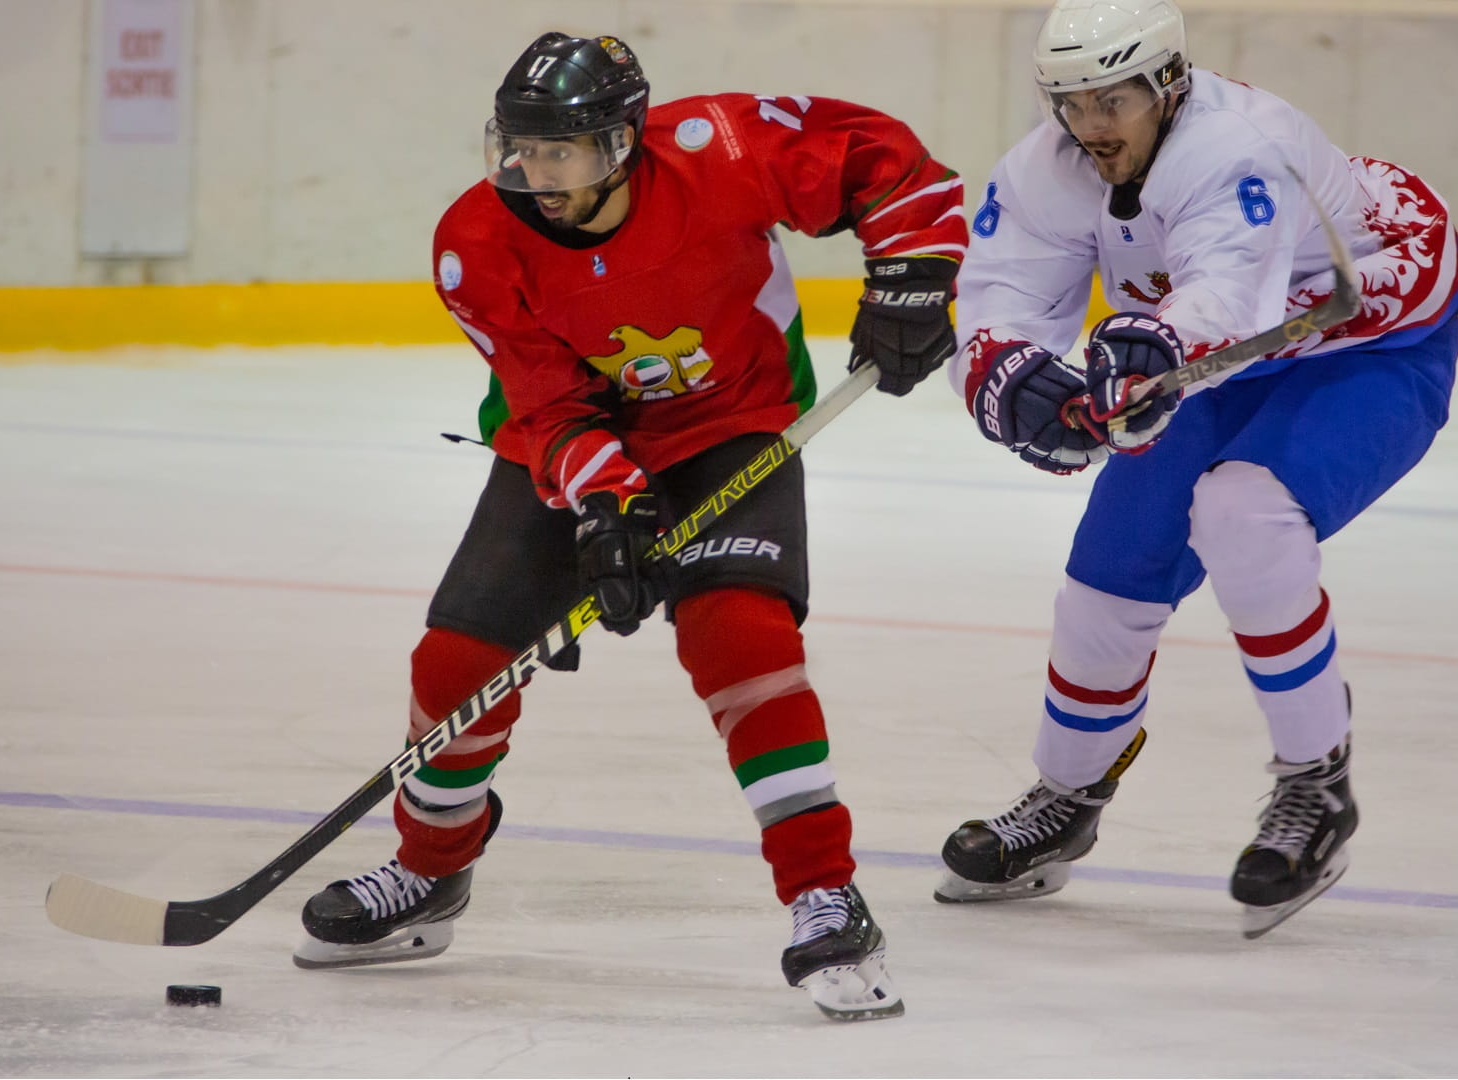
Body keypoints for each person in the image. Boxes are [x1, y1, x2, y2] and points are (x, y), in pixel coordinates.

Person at [291, 32, 966, 1020]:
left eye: (555, 151)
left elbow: (887, 160)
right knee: (454, 665)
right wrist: (606, 508)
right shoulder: (472, 242)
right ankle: (430, 871)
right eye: (516, 148)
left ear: (620, 144)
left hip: (727, 425)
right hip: (566, 449)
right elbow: (545, 399)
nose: (529, 172)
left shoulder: (719, 147)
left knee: (741, 638)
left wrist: (911, 271)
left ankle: (822, 891)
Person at [937, 0, 1458, 938]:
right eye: (1072, 102)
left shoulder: (1240, 146)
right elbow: (1004, 296)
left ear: (1168, 82)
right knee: (1109, 573)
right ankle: (1067, 795)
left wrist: (1154, 342)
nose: (1091, 126)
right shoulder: (1045, 168)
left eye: (1114, 100)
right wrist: (1005, 375)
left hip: (1362, 342)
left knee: (1243, 512)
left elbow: (1228, 286)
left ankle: (1316, 785)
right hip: (1225, 347)